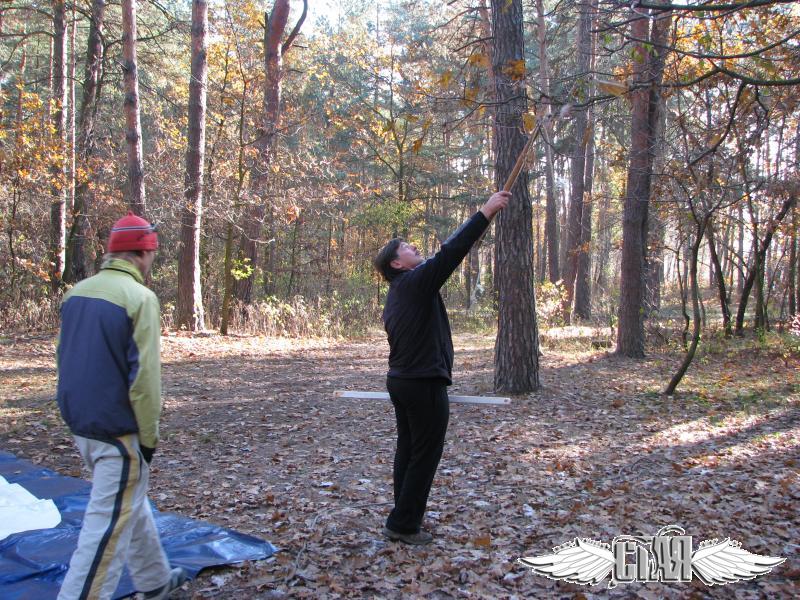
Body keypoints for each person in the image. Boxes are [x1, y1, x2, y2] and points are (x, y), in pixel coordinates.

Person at [56, 212, 186, 600]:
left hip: (82, 422)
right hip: (118, 430)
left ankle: (155, 580)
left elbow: (66, 357)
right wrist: (148, 438)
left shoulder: (77, 291)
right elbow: (145, 379)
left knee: (127, 501)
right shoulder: (139, 298)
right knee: (104, 533)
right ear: (144, 254)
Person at [373, 191, 510, 545]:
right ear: (397, 264)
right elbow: (451, 253)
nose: (413, 247)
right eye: (405, 247)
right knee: (424, 453)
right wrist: (485, 212)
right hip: (421, 384)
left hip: (402, 382)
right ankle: (403, 525)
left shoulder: (400, 292)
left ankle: (400, 516)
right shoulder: (415, 283)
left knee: (409, 448)